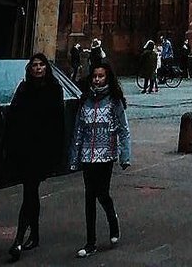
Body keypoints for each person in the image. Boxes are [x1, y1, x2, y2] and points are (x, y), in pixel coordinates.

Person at [5, 52, 64, 262]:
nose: (38, 68)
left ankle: (19, 239)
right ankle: (35, 235)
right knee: (31, 191)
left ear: (46, 68)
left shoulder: (54, 89)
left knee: (30, 190)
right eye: (34, 65)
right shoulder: (24, 88)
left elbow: (58, 121)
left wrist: (57, 150)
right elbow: (13, 115)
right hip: (25, 149)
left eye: (41, 65)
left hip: (42, 150)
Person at [69, 62, 131, 258]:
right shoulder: (85, 100)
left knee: (102, 194)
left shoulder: (114, 101)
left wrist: (125, 156)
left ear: (107, 78)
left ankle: (112, 220)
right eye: (95, 76)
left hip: (106, 154)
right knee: (89, 197)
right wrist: (74, 157)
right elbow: (78, 130)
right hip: (88, 155)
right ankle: (90, 242)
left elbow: (123, 128)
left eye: (101, 76)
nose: (97, 79)